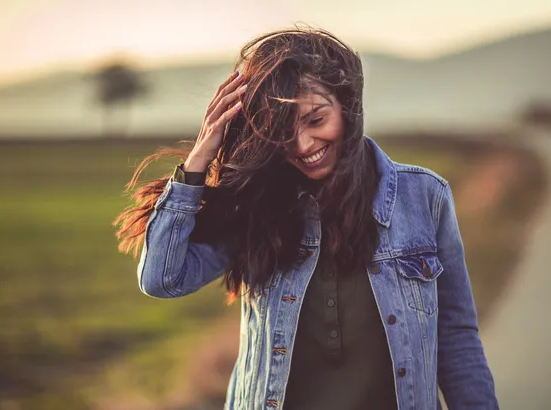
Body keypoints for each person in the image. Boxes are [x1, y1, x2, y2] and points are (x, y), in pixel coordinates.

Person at [114, 27, 498, 410]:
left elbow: (456, 339)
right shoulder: (256, 205)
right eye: (282, 130)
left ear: (347, 106)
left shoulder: (424, 197)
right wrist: (198, 160)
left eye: (316, 119)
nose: (302, 145)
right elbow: (161, 279)